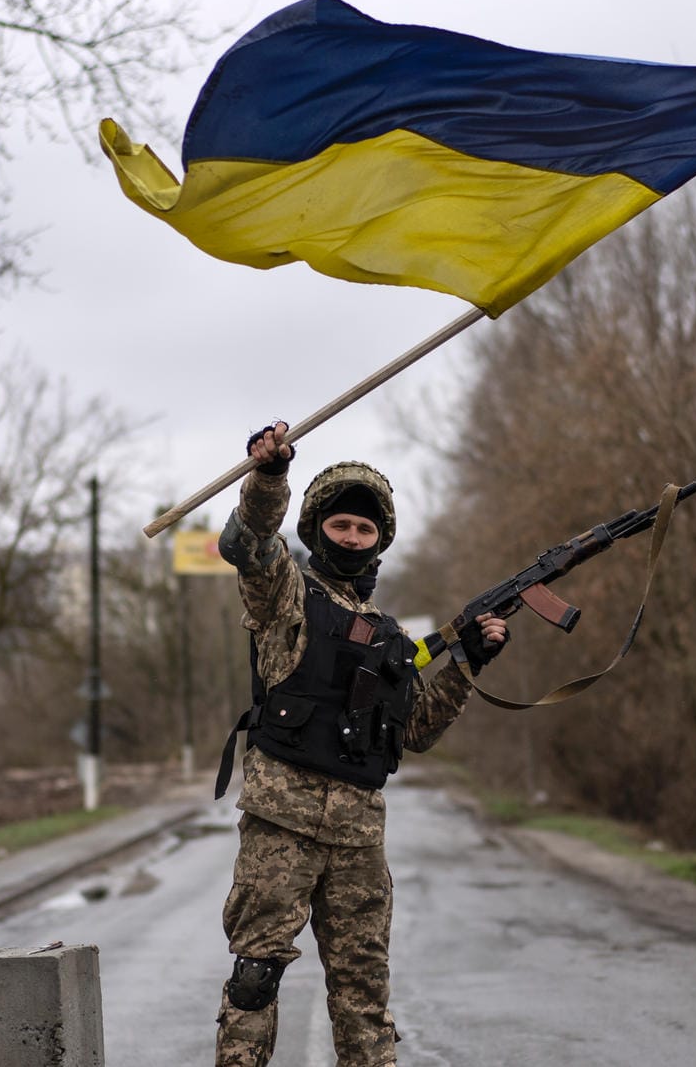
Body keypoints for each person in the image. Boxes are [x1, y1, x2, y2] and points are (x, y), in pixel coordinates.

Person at [211, 421, 508, 1067]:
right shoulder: (285, 593)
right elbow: (250, 541)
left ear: (380, 542)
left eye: (364, 530)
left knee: (364, 996)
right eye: (341, 524)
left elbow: (417, 731)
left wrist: (468, 663)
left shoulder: (394, 637)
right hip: (281, 827)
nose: (351, 537)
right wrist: (269, 475)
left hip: (359, 838)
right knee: (255, 978)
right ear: (318, 527)